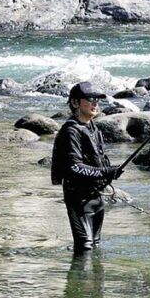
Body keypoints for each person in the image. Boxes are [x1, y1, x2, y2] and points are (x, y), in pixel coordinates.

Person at [51, 81, 123, 253]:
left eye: (97, 99)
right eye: (90, 99)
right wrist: (106, 171)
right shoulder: (71, 131)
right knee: (84, 249)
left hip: (96, 198)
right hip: (79, 200)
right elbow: (74, 168)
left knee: (96, 246)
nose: (95, 103)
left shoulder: (93, 128)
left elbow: (99, 160)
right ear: (75, 103)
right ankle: (77, 280)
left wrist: (110, 172)